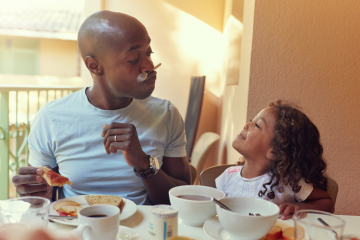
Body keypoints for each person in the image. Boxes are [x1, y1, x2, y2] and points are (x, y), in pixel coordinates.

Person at [11, 11, 191, 205]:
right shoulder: (51, 118)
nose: (149, 66)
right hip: (76, 230)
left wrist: (143, 164)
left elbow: (183, 199)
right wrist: (32, 192)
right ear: (95, 66)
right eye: (133, 59)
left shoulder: (166, 114)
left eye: (149, 53)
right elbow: (40, 199)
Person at [216, 100, 334, 219]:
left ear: (275, 151)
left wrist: (299, 206)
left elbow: (327, 203)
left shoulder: (288, 182)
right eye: (252, 121)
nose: (246, 125)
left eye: (257, 125)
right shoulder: (227, 177)